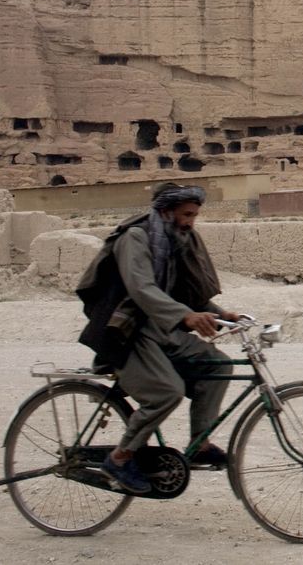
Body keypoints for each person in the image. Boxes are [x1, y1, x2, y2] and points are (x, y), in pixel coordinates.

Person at [75, 183, 240, 494]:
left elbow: (186, 293)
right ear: (166, 212)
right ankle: (120, 458)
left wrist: (220, 315)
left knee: (217, 365)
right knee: (167, 393)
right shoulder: (135, 237)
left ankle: (200, 443)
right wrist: (186, 316)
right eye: (186, 214)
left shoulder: (177, 241)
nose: (191, 221)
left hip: (162, 330)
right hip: (128, 333)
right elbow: (142, 289)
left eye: (195, 215)